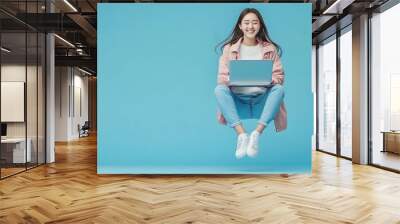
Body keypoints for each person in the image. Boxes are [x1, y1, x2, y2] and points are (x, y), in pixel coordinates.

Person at [214, 8, 287, 159]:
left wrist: (267, 79)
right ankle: (242, 135)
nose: (250, 26)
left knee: (279, 89)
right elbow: (222, 77)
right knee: (219, 90)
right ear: (240, 26)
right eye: (246, 23)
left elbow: (279, 75)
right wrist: (236, 79)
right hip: (238, 101)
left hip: (262, 100)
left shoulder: (269, 49)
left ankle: (256, 134)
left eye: (254, 22)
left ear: (260, 25)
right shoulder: (229, 49)